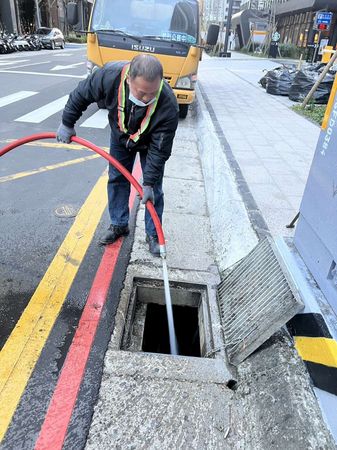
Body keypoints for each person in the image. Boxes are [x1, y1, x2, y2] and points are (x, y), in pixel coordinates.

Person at [56, 55, 179, 256]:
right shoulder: (108, 76)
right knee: (117, 178)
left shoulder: (167, 102)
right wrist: (67, 123)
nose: (147, 98)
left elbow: (161, 149)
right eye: (141, 93)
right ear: (129, 79)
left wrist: (147, 182)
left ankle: (153, 234)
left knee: (154, 189)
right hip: (121, 135)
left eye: (152, 93)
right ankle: (119, 224)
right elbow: (81, 94)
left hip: (150, 143)